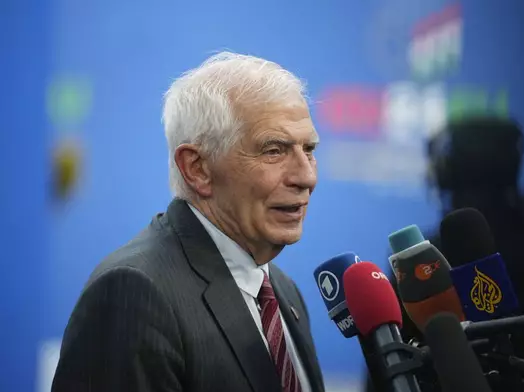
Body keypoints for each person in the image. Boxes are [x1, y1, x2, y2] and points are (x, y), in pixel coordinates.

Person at [52, 52, 325, 392]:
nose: (306, 176)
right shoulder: (134, 294)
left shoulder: (283, 291)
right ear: (197, 168)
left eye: (309, 148)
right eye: (274, 150)